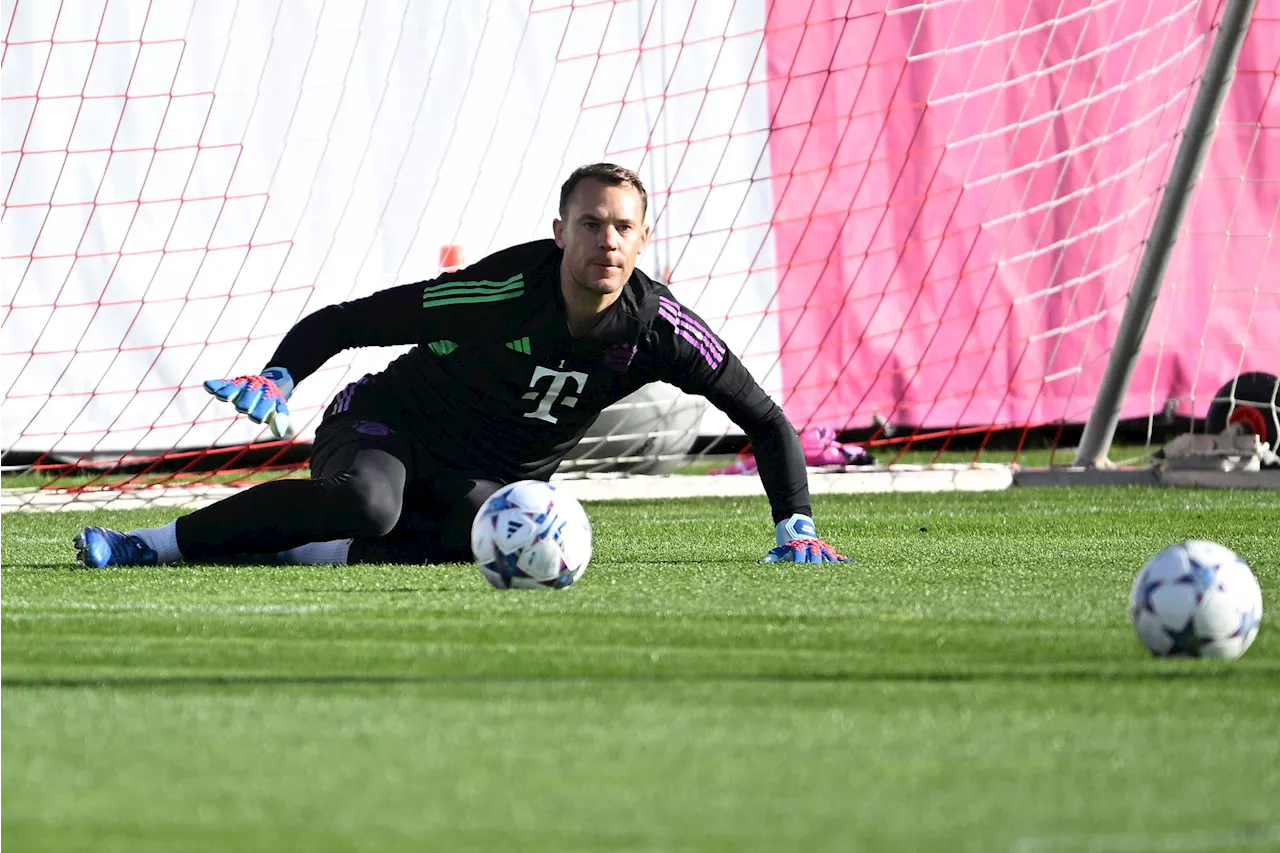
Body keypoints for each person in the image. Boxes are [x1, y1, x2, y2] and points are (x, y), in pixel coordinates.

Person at [74, 163, 848, 569]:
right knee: (370, 504)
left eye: (621, 227)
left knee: (491, 533)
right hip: (386, 424)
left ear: (643, 241)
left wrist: (797, 525)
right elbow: (353, 320)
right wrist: (281, 376)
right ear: (559, 233)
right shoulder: (503, 290)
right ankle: (153, 541)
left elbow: (767, 419)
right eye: (588, 224)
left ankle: (302, 543)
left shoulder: (662, 329)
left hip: (487, 478)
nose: (605, 241)